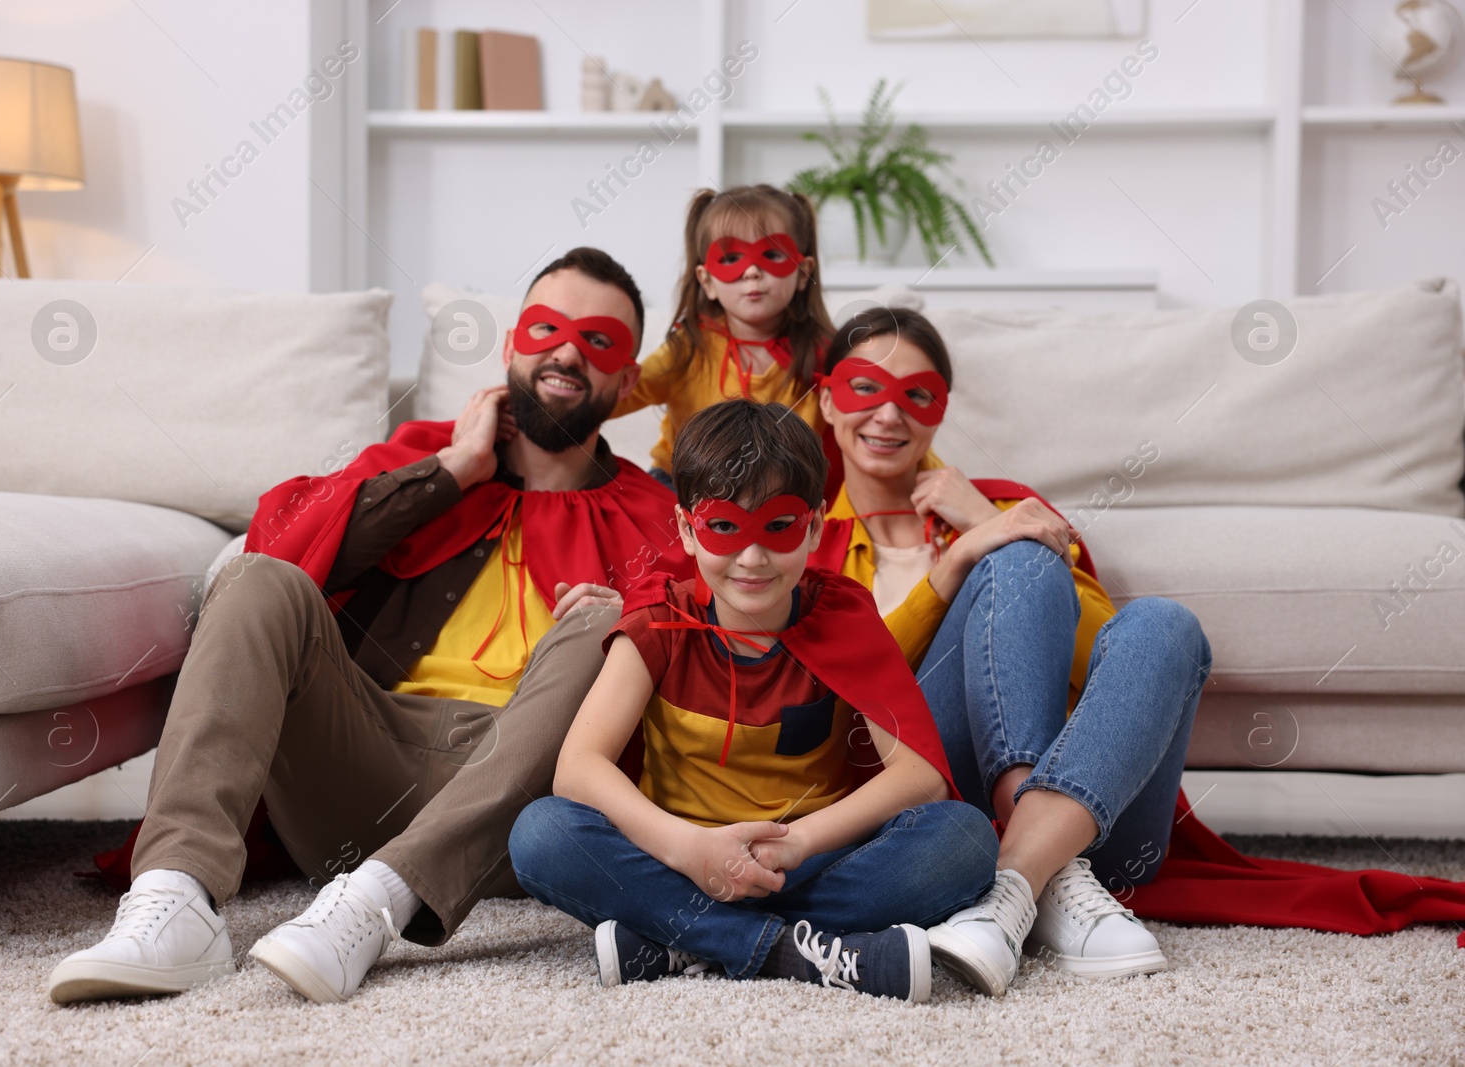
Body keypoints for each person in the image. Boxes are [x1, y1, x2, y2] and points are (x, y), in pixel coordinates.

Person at [47, 247, 690, 1005]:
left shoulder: (662, 517)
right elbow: (288, 544)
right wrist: (451, 472)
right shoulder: (430, 456)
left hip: (521, 799)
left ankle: (380, 899)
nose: (568, 351)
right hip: (361, 762)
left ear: (625, 382)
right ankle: (176, 897)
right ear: (512, 345)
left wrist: (627, 619)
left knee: (616, 625)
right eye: (547, 327)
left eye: (599, 341)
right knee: (258, 581)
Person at [509, 399, 1000, 1003]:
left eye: (778, 527)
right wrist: (688, 848)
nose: (752, 558)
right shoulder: (658, 623)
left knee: (967, 838)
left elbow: (920, 777)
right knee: (541, 834)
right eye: (723, 528)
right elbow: (577, 768)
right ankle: (795, 952)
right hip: (678, 857)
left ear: (816, 527)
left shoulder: (842, 617)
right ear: (687, 530)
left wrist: (798, 841)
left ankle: (684, 941)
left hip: (808, 858)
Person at [811, 306, 1211, 997]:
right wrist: (962, 559)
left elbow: (1105, 659)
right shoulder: (802, 545)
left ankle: (1020, 877)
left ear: (939, 411)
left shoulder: (1006, 509)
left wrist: (984, 523)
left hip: (1097, 813)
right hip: (941, 816)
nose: (887, 414)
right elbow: (843, 706)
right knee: (1015, 557)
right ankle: (1038, 873)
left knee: (1166, 625)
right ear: (825, 398)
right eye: (863, 388)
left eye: (916, 394)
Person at [607, 184, 834, 486]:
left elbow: (875, 420)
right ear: (707, 281)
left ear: (803, 272)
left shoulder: (824, 357)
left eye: (772, 254)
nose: (752, 271)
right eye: (730, 259)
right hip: (681, 490)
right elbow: (617, 394)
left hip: (780, 497)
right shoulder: (687, 350)